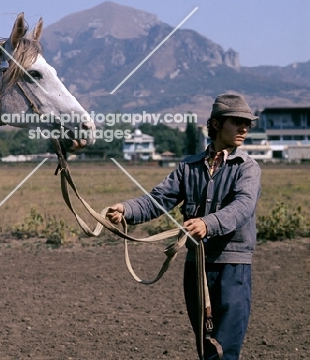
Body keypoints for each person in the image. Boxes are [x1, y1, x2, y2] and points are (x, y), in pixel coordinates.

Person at [106, 94, 261, 360]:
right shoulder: (188, 167)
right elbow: (158, 200)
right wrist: (126, 210)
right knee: (205, 347)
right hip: (195, 268)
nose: (244, 128)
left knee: (226, 350)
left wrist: (207, 223)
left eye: (247, 123)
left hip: (232, 268)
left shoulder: (247, 168)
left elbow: (243, 207)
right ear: (215, 124)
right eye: (237, 122)